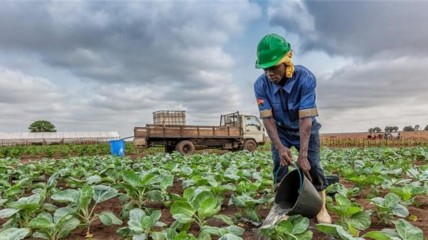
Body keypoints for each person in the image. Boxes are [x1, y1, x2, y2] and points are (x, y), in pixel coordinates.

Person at [253, 33, 331, 223]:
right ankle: (281, 205)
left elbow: (306, 119)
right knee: (279, 166)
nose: (269, 73)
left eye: (273, 67)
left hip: (305, 129)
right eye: (265, 69)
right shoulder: (260, 85)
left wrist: (302, 154)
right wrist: (280, 148)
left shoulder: (305, 79)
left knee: (313, 166)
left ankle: (321, 207)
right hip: (280, 131)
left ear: (288, 61)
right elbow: (268, 119)